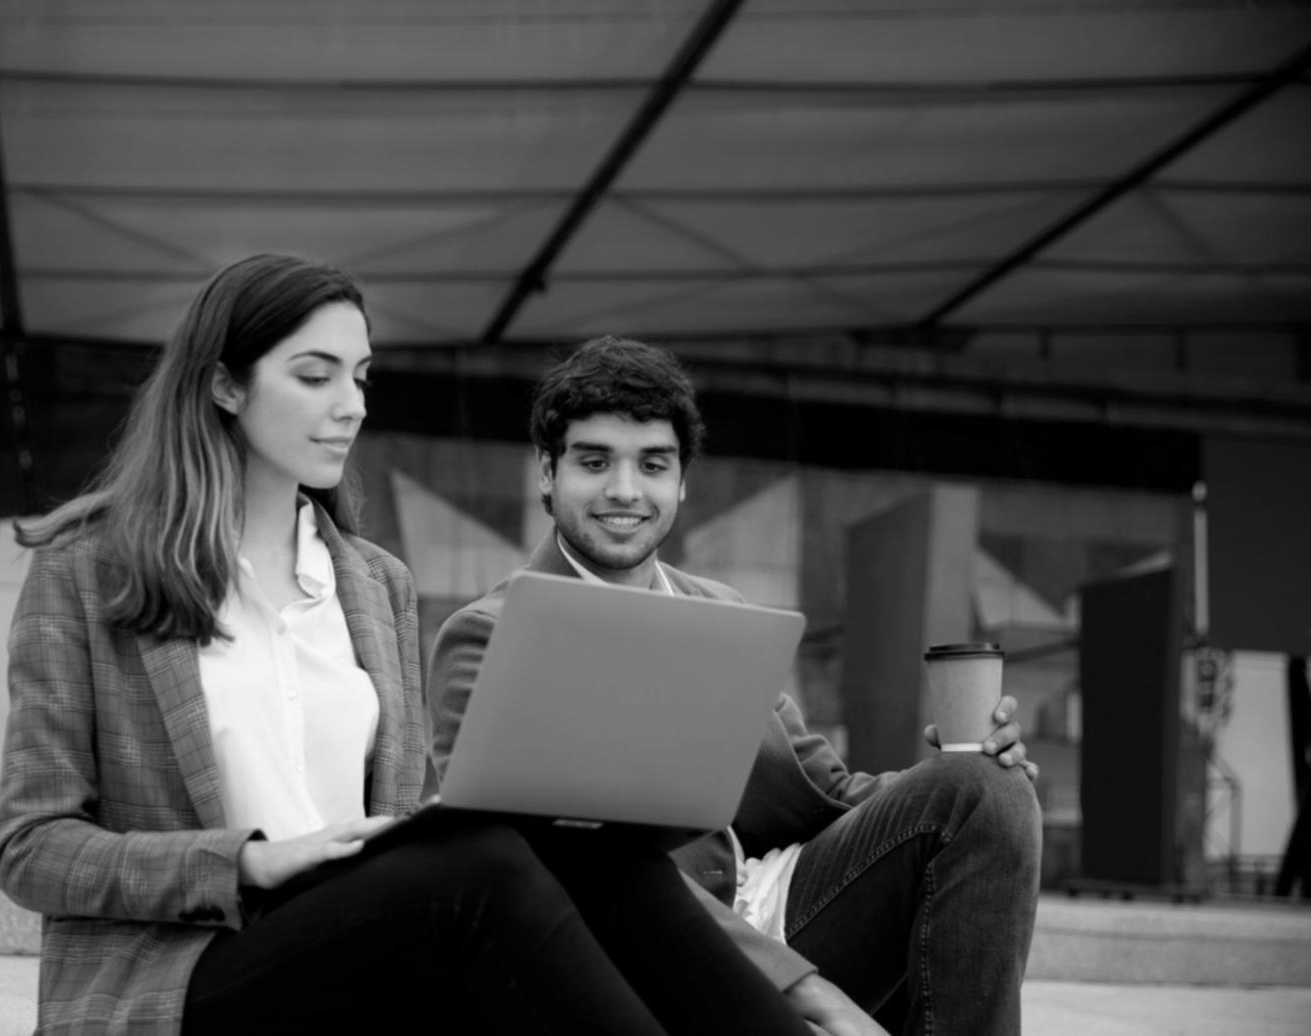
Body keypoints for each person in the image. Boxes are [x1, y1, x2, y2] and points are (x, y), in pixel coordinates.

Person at [0, 255, 816, 1035]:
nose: (350, 404)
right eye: (315, 376)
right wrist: (247, 863)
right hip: (186, 974)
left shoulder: (373, 582)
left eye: (360, 377)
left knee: (587, 847)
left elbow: (396, 809)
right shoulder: (88, 570)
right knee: (483, 869)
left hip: (364, 940)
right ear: (223, 386)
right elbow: (34, 849)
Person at [428, 335, 1044, 1036]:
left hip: (777, 910)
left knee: (988, 790)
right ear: (547, 473)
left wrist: (953, 771)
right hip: (630, 956)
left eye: (653, 465)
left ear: (682, 481)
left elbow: (827, 798)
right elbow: (529, 870)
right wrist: (803, 989)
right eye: (594, 462)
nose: (625, 490)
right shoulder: (490, 633)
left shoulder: (723, 611)